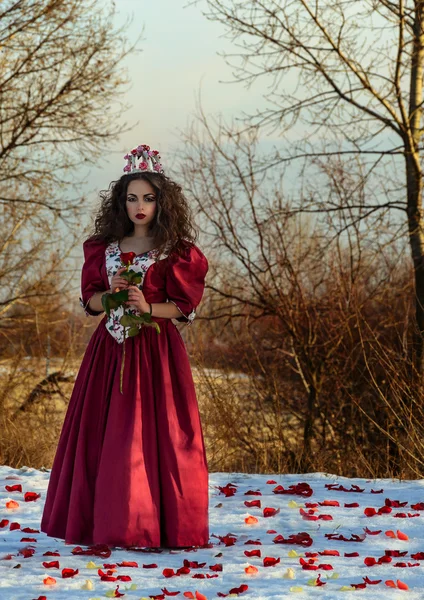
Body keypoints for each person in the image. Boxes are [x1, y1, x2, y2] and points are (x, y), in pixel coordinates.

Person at [40, 144, 210, 550]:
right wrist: (111, 297)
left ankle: (152, 523)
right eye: (132, 197)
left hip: (155, 355)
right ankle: (106, 521)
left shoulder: (177, 252)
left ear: (161, 202)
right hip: (108, 353)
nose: (139, 206)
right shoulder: (103, 248)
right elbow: (90, 302)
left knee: (150, 438)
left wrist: (148, 306)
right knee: (106, 437)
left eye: (148, 198)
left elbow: (183, 308)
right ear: (121, 202)